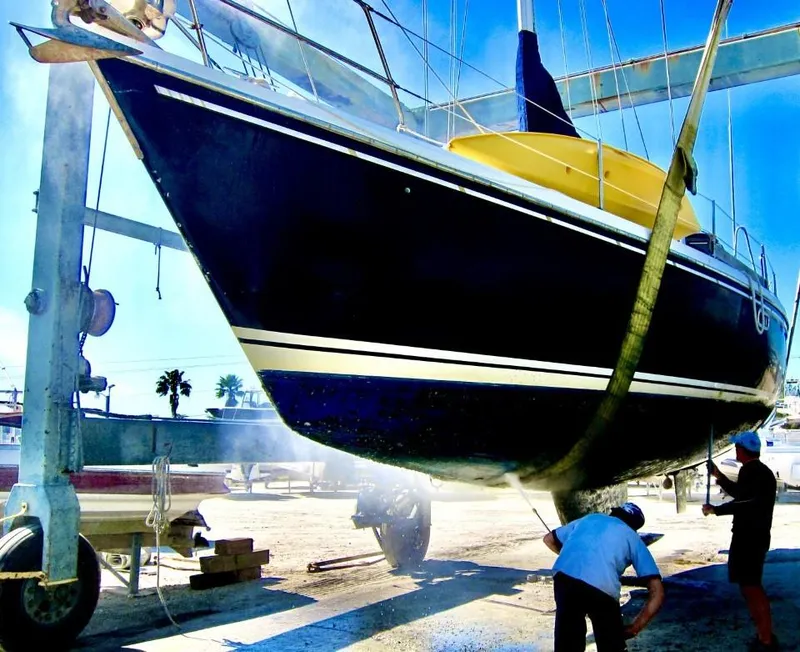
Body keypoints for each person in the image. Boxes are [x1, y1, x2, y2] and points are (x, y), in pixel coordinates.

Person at [543, 502, 664, 651]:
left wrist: (572, 557)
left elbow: (548, 539)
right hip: (602, 587)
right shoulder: (632, 537)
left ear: (614, 513)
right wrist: (634, 627)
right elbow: (657, 592)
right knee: (611, 645)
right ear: (635, 526)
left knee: (568, 644)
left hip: (565, 578)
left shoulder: (589, 518)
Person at [704, 431, 778, 651]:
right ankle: (764, 635)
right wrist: (718, 474)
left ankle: (766, 639)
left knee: (752, 587)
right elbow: (741, 494)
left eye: (737, 447)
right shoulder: (759, 471)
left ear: (742, 450)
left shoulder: (752, 471)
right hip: (755, 536)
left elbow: (743, 502)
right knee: (749, 586)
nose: (735, 450)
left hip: (750, 538)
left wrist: (716, 510)